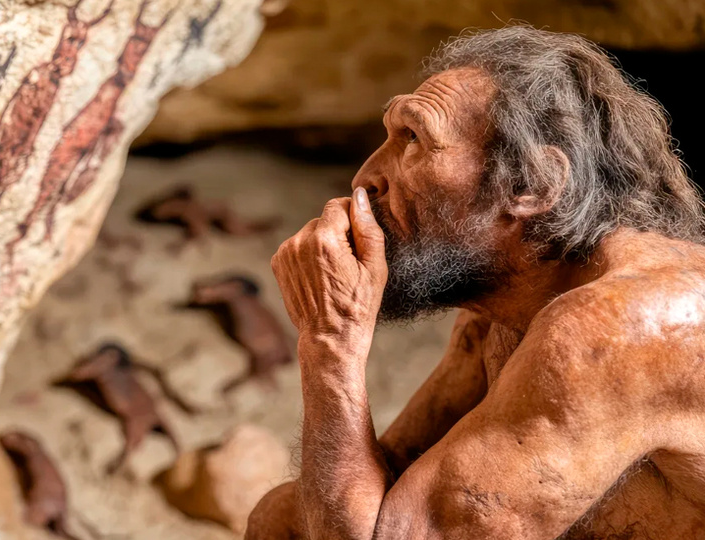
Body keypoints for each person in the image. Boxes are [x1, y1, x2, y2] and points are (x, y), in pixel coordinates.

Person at [247, 25, 705, 540]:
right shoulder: (504, 309)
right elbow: (383, 492)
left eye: (414, 139)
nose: (365, 177)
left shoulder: (618, 325)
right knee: (281, 519)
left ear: (531, 184)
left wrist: (331, 342)